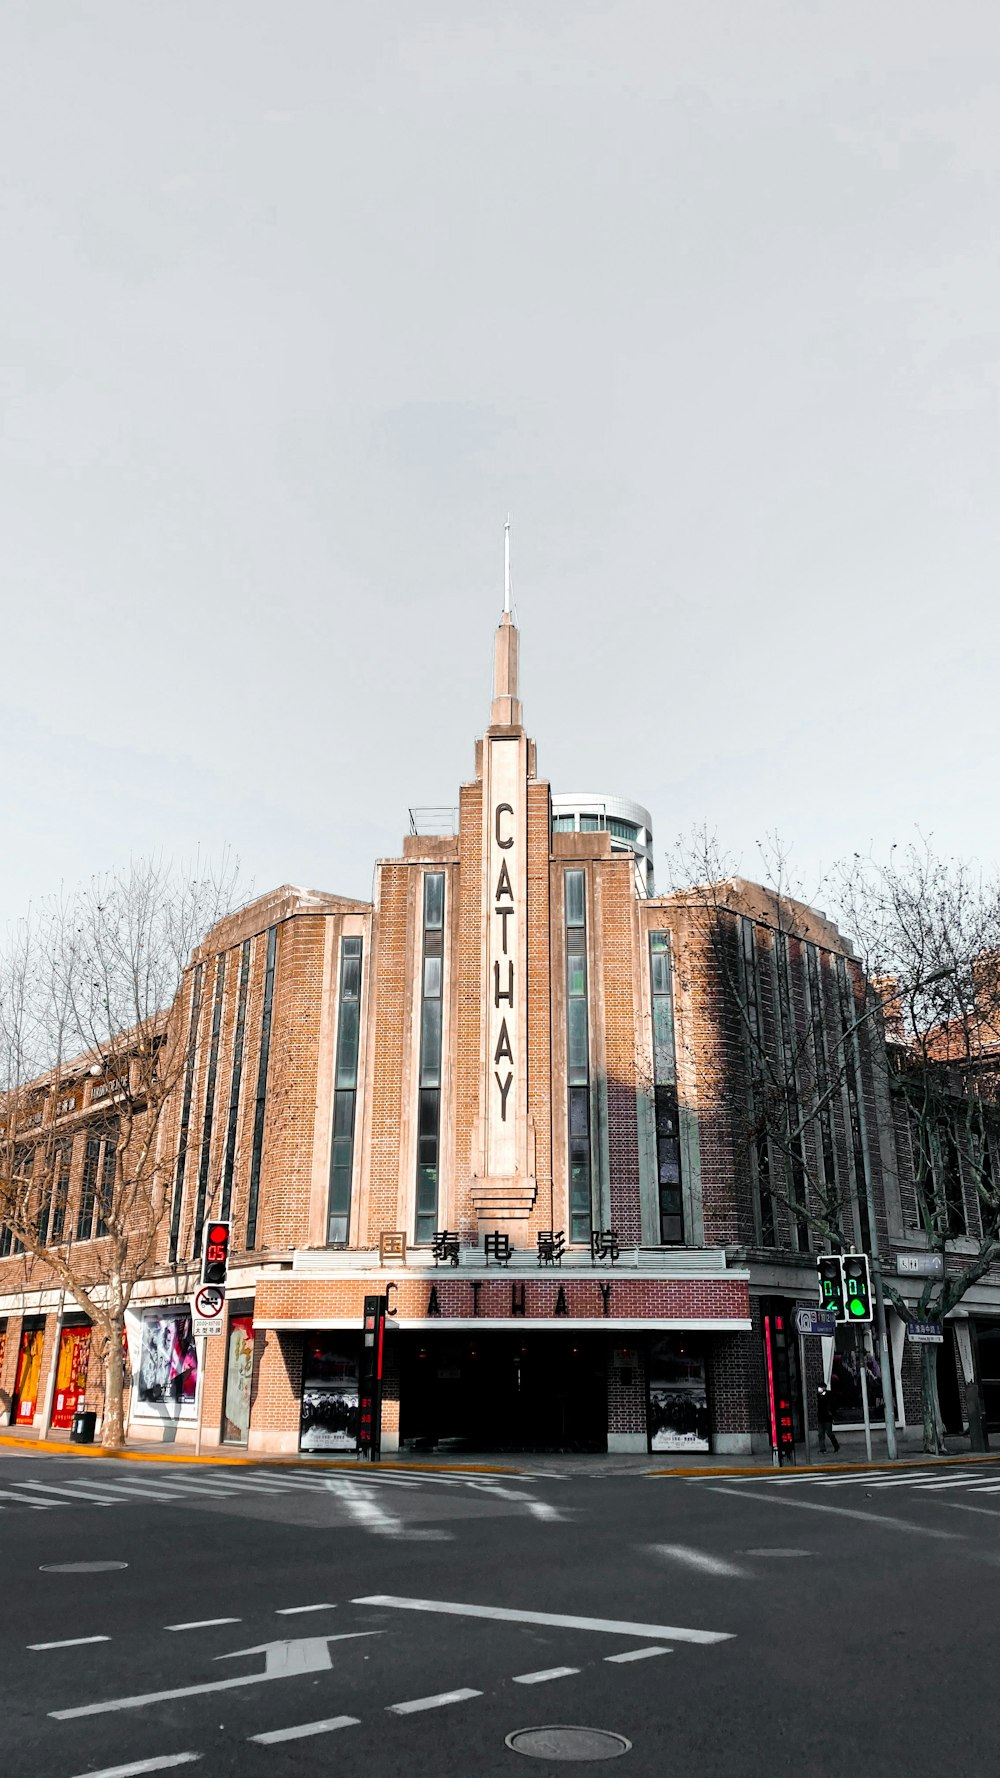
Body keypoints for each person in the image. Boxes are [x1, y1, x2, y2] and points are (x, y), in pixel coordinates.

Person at [817, 1384, 839, 1454]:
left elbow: (832, 1404)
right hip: (821, 1417)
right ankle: (822, 1449)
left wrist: (831, 1413)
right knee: (821, 1434)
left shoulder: (829, 1395)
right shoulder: (818, 1395)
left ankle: (836, 1445)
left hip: (827, 1417)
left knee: (829, 1433)